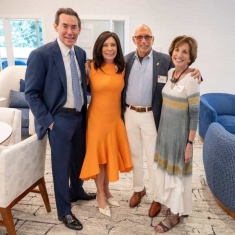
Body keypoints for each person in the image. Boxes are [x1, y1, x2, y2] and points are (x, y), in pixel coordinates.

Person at [25, 8, 96, 231]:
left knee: (78, 158)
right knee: (60, 167)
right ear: (56, 27)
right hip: (59, 120)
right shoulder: (41, 55)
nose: (69, 31)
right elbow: (31, 93)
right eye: (65, 26)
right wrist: (49, 121)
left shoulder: (81, 54)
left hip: (79, 117)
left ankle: (77, 190)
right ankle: (64, 212)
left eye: (74, 27)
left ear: (79, 29)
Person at [121, 24, 201, 217]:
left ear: (153, 39)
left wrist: (197, 71)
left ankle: (157, 197)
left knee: (152, 159)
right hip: (130, 113)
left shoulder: (164, 60)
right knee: (135, 156)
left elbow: (183, 71)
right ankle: (139, 189)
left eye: (147, 37)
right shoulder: (126, 60)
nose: (143, 40)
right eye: (139, 37)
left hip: (151, 115)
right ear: (133, 39)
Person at [80, 31, 132, 217]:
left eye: (113, 45)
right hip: (97, 120)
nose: (109, 48)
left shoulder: (122, 67)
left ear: (117, 48)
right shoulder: (90, 67)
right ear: (99, 47)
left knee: (110, 156)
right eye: (105, 45)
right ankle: (100, 194)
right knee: (100, 159)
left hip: (114, 120)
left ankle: (107, 190)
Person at [152, 35, 200, 233]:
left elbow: (195, 115)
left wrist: (189, 144)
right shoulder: (171, 72)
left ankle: (175, 216)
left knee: (177, 176)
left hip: (180, 139)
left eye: (185, 52)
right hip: (165, 135)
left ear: (191, 57)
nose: (179, 55)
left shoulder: (192, 80)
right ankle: (175, 206)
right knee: (166, 173)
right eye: (177, 50)